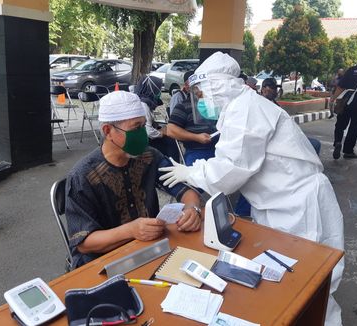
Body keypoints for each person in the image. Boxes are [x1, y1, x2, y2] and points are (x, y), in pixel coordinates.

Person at [159, 52, 344, 326]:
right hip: (281, 203)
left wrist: (191, 172)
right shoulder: (240, 108)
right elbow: (233, 159)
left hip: (298, 206)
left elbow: (230, 171)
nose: (199, 100)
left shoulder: (246, 110)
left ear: (217, 86)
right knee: (286, 279)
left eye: (200, 93)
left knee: (309, 282)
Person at [65, 91, 203, 268]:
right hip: (104, 262)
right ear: (108, 131)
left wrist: (193, 209)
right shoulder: (83, 176)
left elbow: (184, 190)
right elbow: (83, 243)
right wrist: (130, 230)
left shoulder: (149, 156)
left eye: (143, 126)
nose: (142, 135)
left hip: (150, 249)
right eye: (135, 128)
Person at [167, 71, 219, 166]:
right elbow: (171, 130)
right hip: (196, 153)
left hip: (220, 151)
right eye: (197, 89)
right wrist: (196, 137)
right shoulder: (183, 106)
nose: (200, 93)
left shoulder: (216, 104)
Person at [135, 75, 180, 162]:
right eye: (158, 89)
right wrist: (161, 133)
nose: (159, 92)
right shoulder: (143, 105)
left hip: (146, 137)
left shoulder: (146, 103)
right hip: (143, 140)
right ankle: (171, 164)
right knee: (170, 141)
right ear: (152, 89)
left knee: (170, 138)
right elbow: (148, 132)